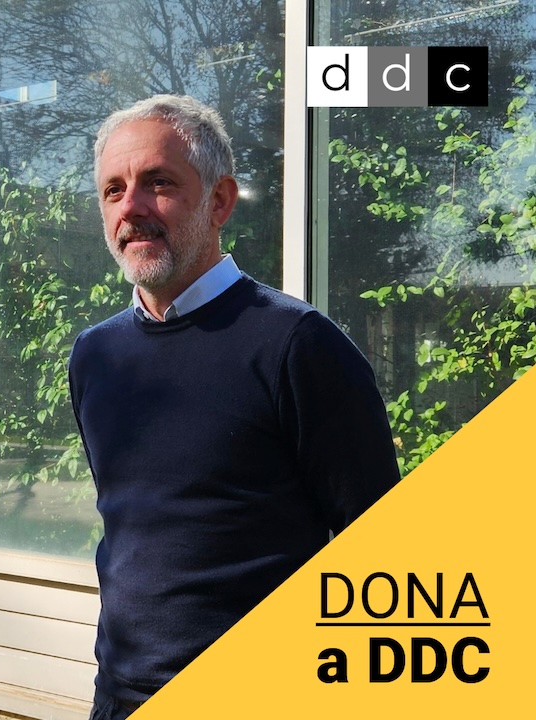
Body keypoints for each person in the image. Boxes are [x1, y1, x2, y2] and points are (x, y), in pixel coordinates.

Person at [68, 94, 400, 719]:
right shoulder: (95, 356)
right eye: (113, 190)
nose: (131, 208)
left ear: (220, 201)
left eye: (158, 183)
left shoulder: (298, 345)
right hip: (117, 698)